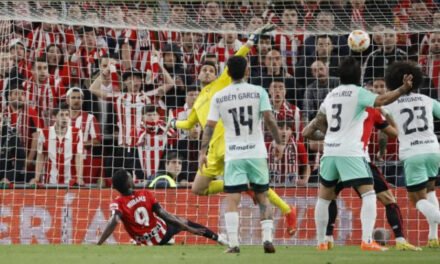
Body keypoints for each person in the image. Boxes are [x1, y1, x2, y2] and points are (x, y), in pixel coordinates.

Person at [168, 25, 298, 236]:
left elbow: (237, 57)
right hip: (213, 151)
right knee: (198, 189)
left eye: (212, 69)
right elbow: (189, 123)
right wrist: (173, 123)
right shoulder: (198, 100)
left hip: (232, 145)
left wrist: (250, 41)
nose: (208, 72)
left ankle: (286, 209)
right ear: (198, 74)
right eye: (205, 69)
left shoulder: (221, 84)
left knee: (257, 188)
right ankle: (240, 186)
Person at [304, 57, 414, 251]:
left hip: (329, 152)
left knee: (324, 198)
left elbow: (317, 122)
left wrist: (329, 135)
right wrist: (403, 89)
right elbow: (382, 100)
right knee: (369, 194)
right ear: (359, 75)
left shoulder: (331, 95)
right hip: (352, 152)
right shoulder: (359, 93)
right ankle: (366, 240)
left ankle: (321, 242)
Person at [200, 55, 283, 253]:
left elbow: (209, 127)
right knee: (263, 196)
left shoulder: (219, 96)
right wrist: (279, 142)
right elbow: (270, 119)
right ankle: (267, 239)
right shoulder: (258, 91)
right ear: (247, 72)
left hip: (234, 154)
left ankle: (234, 244)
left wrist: (203, 151)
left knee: (232, 199)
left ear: (227, 73)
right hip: (256, 152)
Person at [384, 61, 440, 248]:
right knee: (430, 190)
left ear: (392, 81)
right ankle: (433, 238)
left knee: (417, 199)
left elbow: (382, 127)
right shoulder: (427, 100)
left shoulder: (389, 104)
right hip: (433, 149)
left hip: (412, 153)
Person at [97, 169, 228, 246]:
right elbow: (163, 214)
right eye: (131, 177)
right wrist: (188, 228)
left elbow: (114, 221)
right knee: (182, 221)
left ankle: (153, 240)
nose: (133, 178)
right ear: (129, 182)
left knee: (139, 227)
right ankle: (219, 238)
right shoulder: (145, 193)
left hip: (144, 241)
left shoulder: (117, 202)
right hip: (162, 233)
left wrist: (99, 243)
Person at [31, 104, 84, 186]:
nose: (64, 118)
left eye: (67, 115)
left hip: (70, 182)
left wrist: (79, 178)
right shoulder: (44, 132)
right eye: (61, 115)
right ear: (54, 117)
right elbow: (40, 156)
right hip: (50, 181)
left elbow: (78, 156)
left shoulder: (76, 132)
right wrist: (36, 178)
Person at [66, 87, 102, 184]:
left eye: (79, 98)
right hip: (65, 162)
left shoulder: (90, 118)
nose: (77, 100)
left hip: (84, 161)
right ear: (67, 100)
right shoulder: (61, 117)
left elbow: (97, 141)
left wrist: (78, 145)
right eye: (73, 98)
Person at [267, 119, 310, 186]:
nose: (284, 131)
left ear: (291, 131)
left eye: (287, 129)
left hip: (293, 186)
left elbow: (306, 165)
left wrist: (305, 179)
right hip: (272, 185)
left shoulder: (298, 145)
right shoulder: (268, 145)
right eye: (281, 128)